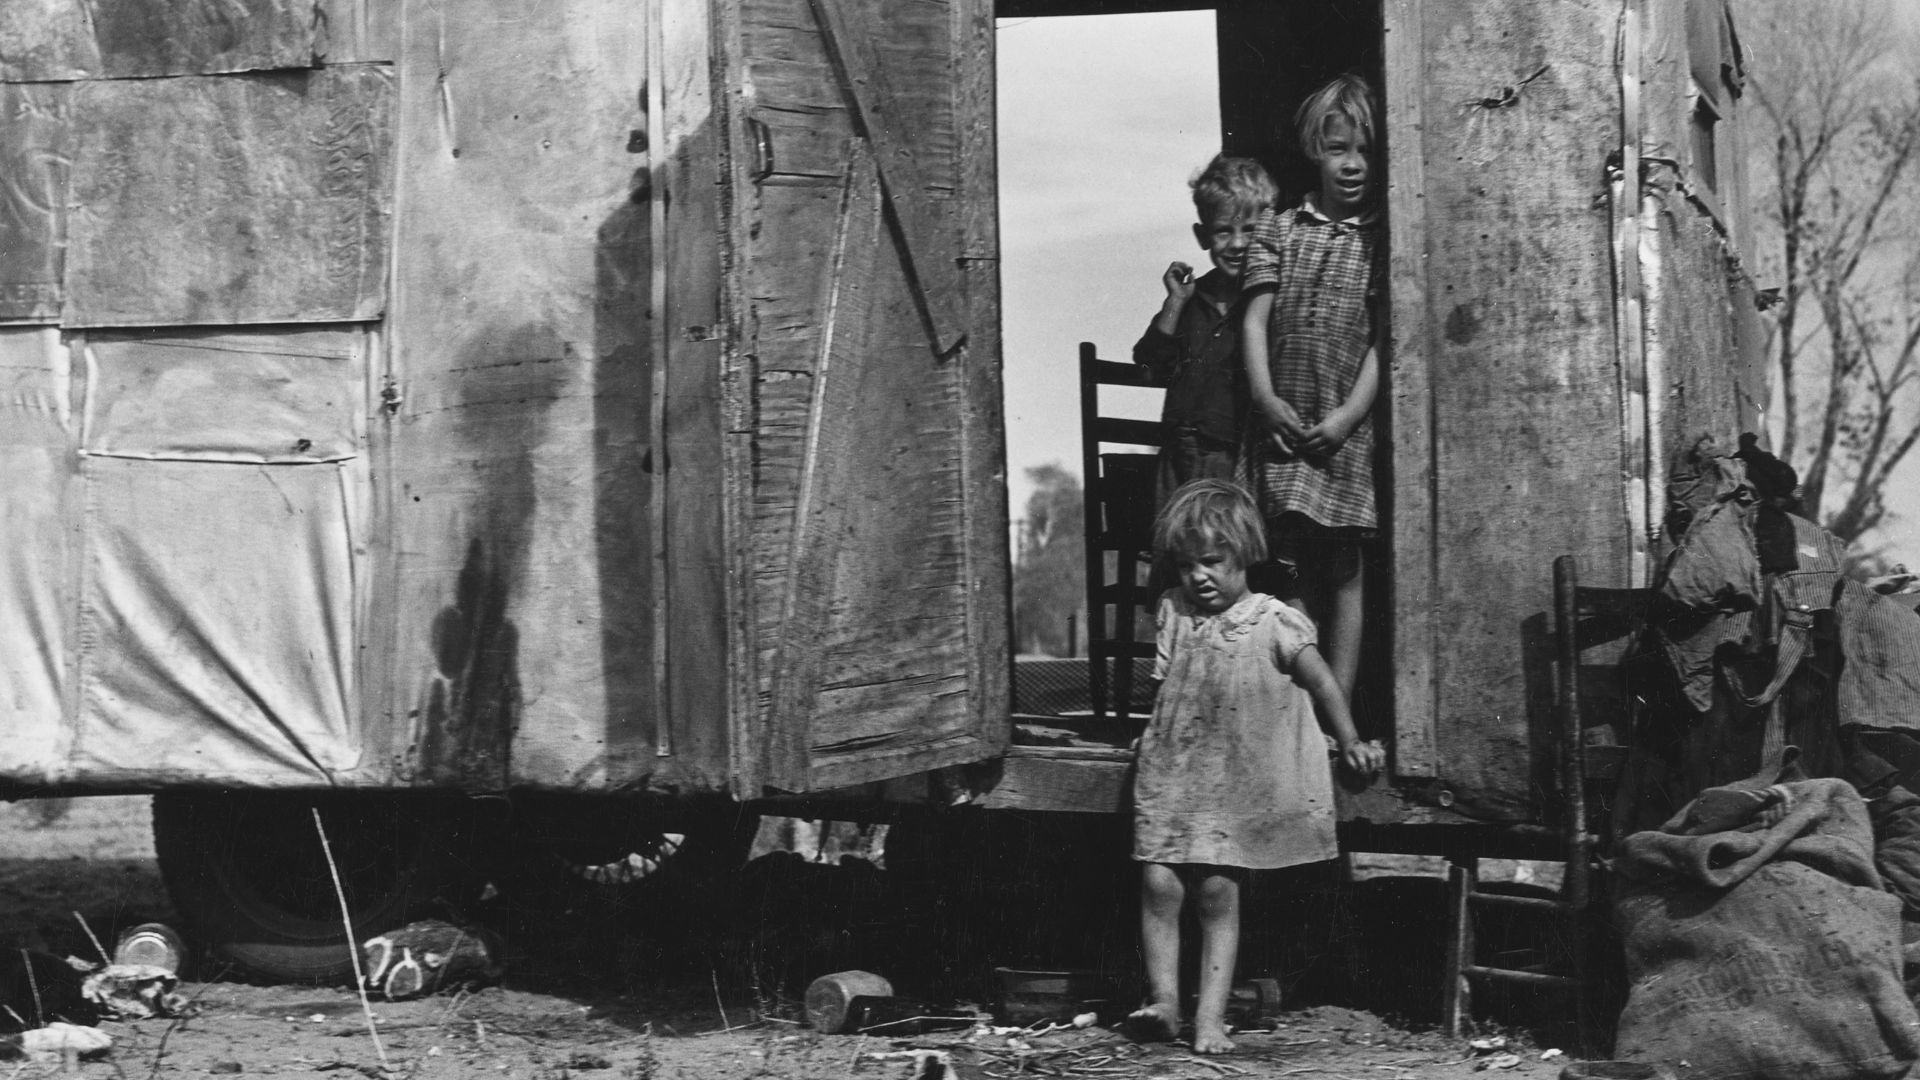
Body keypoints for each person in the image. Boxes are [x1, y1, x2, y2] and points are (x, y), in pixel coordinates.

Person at [1130, 479, 1384, 1054]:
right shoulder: (1174, 610)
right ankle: (1165, 1001)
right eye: (1188, 564)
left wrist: (1349, 740)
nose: (1200, 576)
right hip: (1174, 770)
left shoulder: (1272, 620)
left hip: (1230, 779)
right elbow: (1167, 688)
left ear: (1245, 553)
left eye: (1213, 562)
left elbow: (1322, 682)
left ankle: (1211, 1018)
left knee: (1217, 890)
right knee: (1158, 882)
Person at [1238, 74, 1386, 703]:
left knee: (1346, 570)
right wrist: (1266, 400)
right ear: (1312, 151)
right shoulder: (1280, 228)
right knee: (1291, 567)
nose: (1351, 165)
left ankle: (1339, 712)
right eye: (1336, 149)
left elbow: (1385, 342)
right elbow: (1254, 319)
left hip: (1341, 433)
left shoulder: (1382, 239)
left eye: (1364, 151)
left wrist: (1351, 415)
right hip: (1284, 427)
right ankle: (1300, 705)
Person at [1134, 156, 1278, 510]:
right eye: (1224, 231)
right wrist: (1175, 304)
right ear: (1203, 236)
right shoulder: (1192, 298)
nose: (1238, 244)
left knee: (1219, 548)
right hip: (1176, 453)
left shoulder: (1268, 300)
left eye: (1250, 231)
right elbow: (1150, 369)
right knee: (1171, 550)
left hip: (1231, 456)